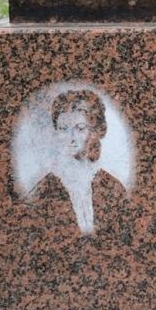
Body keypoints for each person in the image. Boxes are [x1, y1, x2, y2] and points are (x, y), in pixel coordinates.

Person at [35, 89, 121, 234]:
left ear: (94, 131)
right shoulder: (45, 188)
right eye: (63, 129)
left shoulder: (111, 186)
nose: (71, 137)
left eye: (80, 128)